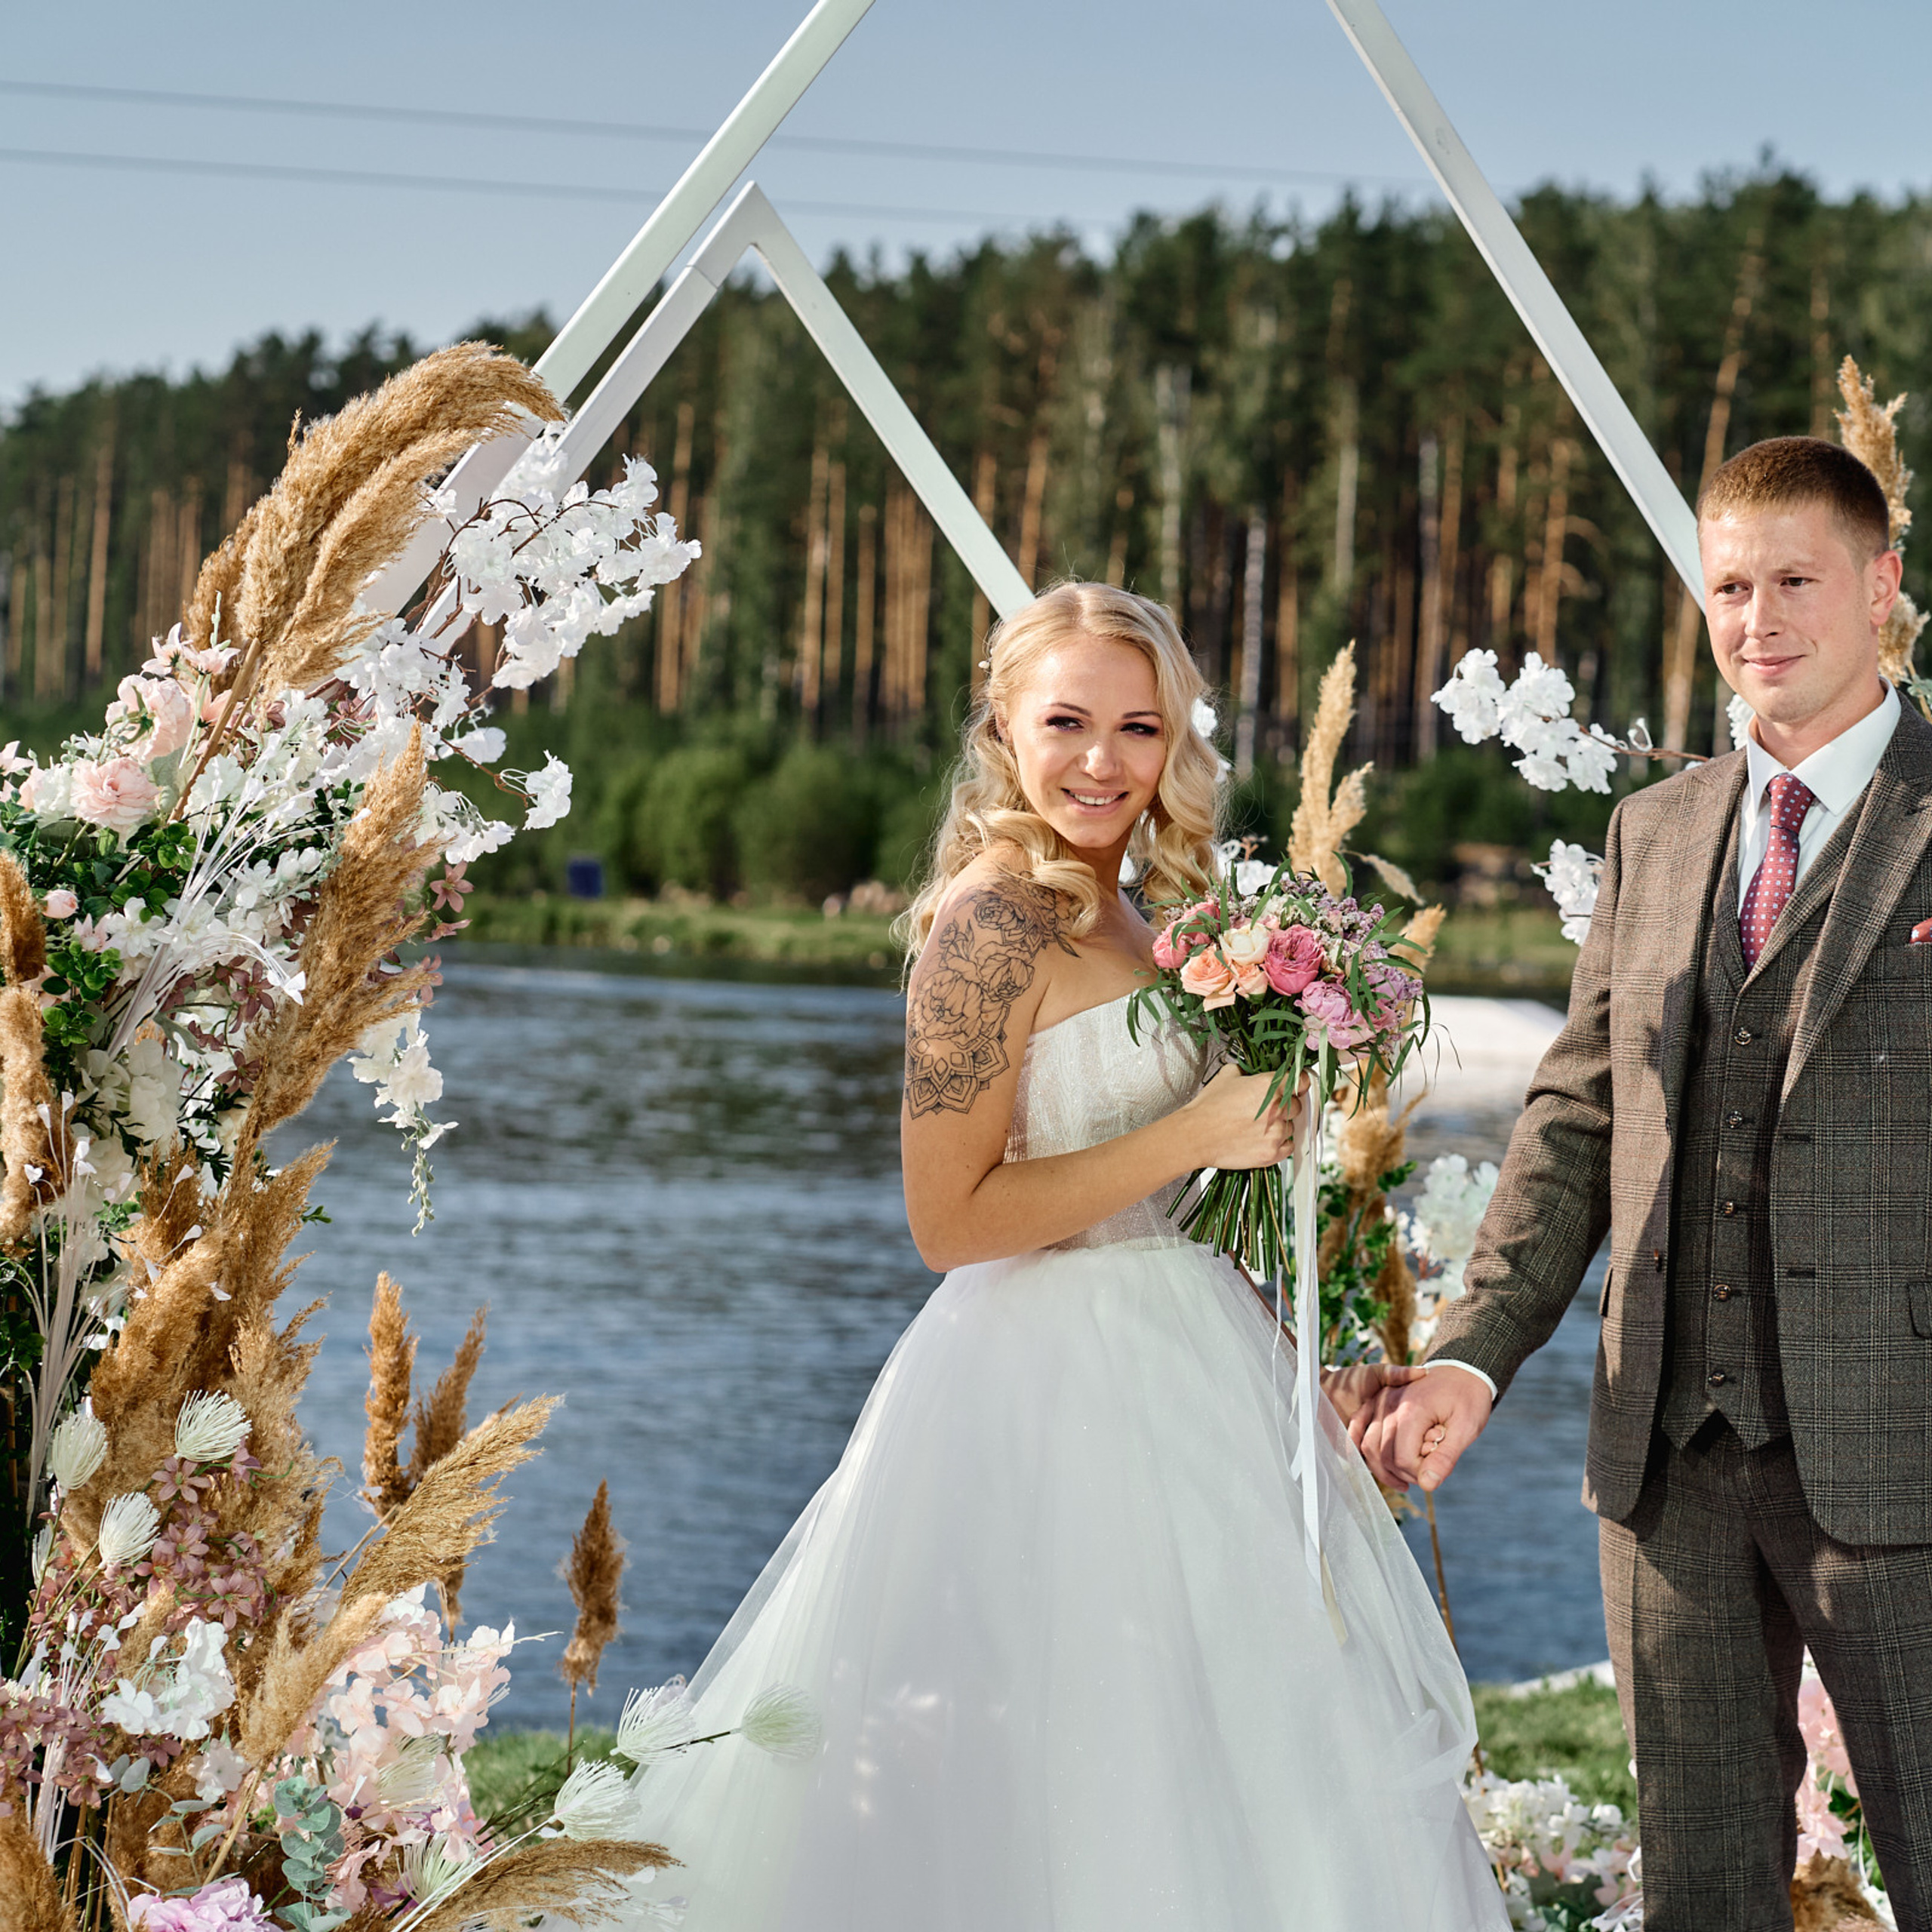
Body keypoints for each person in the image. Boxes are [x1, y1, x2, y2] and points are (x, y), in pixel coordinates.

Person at [617, 583, 1506, 1930]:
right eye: (1069, 721)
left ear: (1175, 746)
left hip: (1189, 1361)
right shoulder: (990, 926)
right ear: (1002, 730)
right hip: (1038, 1390)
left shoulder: (1143, 914)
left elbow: (1178, 1210)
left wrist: (1302, 1363)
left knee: (1237, 1746)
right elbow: (948, 1221)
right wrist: (1201, 1128)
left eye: (1138, 727)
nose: (1104, 759)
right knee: (1059, 1748)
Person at [1355, 436, 1932, 1932]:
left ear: (1879, 587)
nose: (1757, 617)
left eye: (1794, 578)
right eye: (1727, 585)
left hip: (1906, 1458)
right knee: (1697, 1892)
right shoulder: (1654, 829)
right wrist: (1472, 1354)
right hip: (1665, 1459)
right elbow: (1571, 1114)